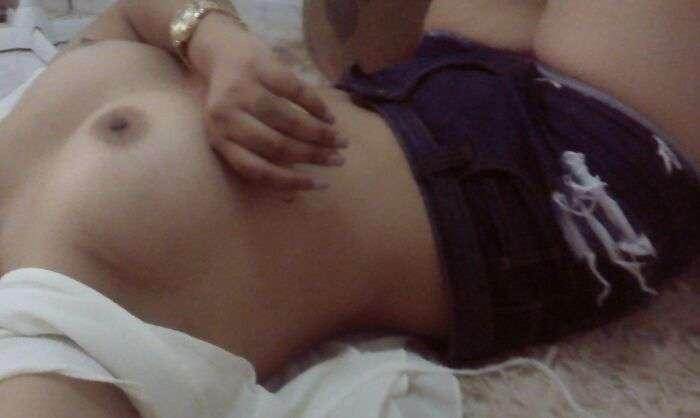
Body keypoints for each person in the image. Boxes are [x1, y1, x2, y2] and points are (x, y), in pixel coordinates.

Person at [0, 0, 698, 416]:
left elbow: (128, 13)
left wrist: (211, 37)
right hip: (554, 187)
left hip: (431, 79)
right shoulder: (39, 340)